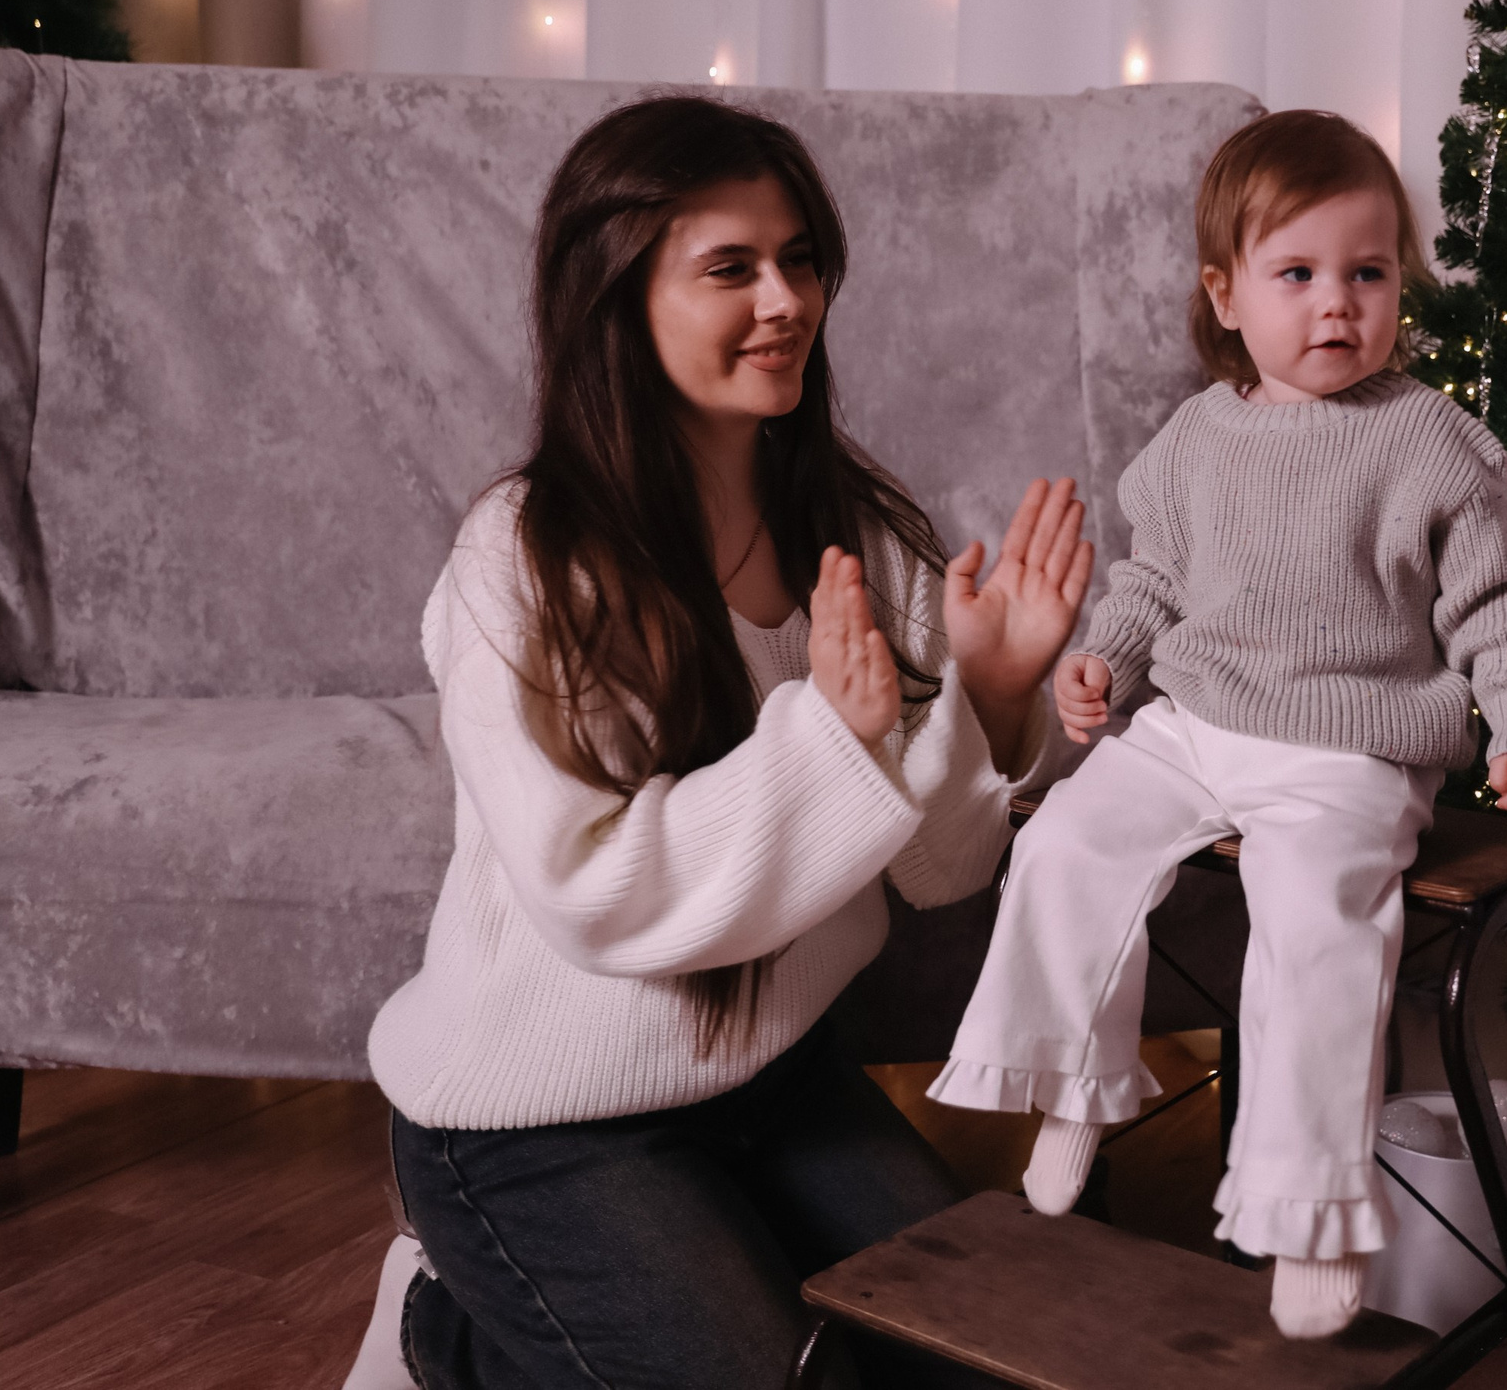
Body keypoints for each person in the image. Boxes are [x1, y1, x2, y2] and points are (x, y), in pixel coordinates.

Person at [343, 96, 1090, 1390]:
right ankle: (443, 1332)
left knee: (998, 1358)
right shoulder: (525, 561)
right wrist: (831, 741)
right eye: (731, 267)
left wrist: (995, 693)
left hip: (770, 1082)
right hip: (537, 1122)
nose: (787, 298)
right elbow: (592, 889)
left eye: (799, 258)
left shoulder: (852, 525)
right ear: (617, 295)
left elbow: (940, 870)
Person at [925, 109, 1507, 1339]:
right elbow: (1151, 583)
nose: (1338, 305)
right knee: (1063, 843)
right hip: (1196, 719)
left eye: (1367, 275)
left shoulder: (1430, 441)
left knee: (1319, 934)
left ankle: (1305, 1205)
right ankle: (1075, 1082)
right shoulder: (1193, 441)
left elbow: (1498, 598)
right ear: (1225, 296)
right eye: (1299, 275)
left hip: (1353, 746)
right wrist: (1102, 665)